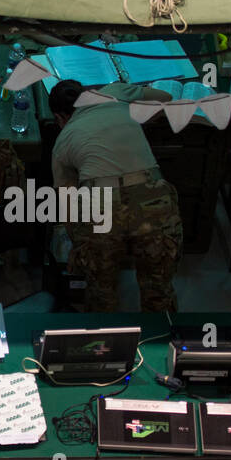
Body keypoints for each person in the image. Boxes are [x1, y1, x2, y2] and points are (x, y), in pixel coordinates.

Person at [49, 79, 182, 313]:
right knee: (158, 287)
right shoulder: (114, 93)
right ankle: (162, 338)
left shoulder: (62, 142)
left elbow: (68, 204)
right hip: (151, 196)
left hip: (100, 206)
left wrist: (79, 246)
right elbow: (166, 98)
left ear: (60, 118)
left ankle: (104, 343)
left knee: (101, 292)